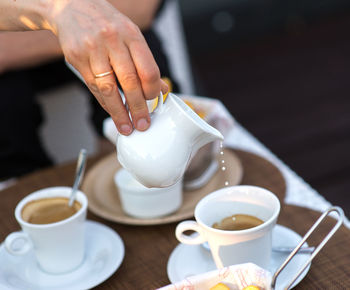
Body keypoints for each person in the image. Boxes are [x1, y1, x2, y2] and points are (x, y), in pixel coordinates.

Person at [0, 0, 178, 179]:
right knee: (8, 103)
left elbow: (139, 7)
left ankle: (128, 169)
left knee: (138, 61)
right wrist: (60, 16)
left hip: (29, 38)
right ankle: (25, 189)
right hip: (18, 44)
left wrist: (73, 27)